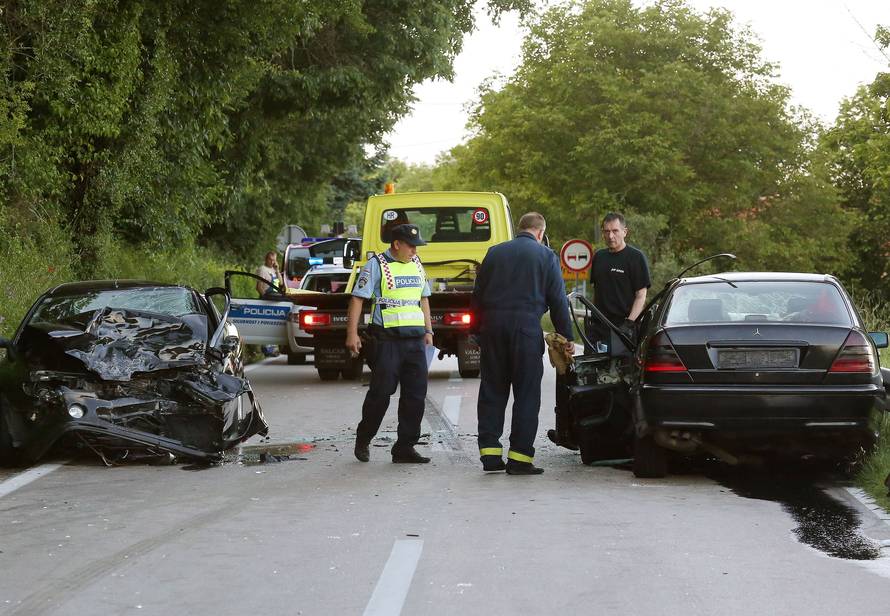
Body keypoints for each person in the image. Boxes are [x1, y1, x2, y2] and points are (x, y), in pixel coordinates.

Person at [472, 212, 574, 475]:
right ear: (540, 232)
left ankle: (490, 456)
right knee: (527, 395)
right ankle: (519, 459)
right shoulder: (545, 256)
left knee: (492, 390)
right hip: (526, 330)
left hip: (492, 330)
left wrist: (476, 332)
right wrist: (566, 337)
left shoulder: (494, 253)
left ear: (520, 229)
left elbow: (477, 296)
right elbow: (558, 302)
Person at [347, 224, 434, 464]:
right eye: (411, 246)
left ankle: (404, 447)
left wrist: (429, 330)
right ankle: (364, 438)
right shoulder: (376, 265)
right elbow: (357, 299)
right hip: (387, 340)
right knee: (380, 394)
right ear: (397, 244)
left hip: (415, 341)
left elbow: (423, 299)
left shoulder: (417, 264)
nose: (415, 251)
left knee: (415, 396)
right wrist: (352, 334)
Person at [590, 213, 651, 349]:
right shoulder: (599, 257)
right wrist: (592, 316)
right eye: (607, 231)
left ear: (625, 232)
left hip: (623, 329)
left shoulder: (636, 258)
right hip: (599, 328)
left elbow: (641, 295)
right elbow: (596, 291)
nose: (611, 236)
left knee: (620, 369)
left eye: (615, 231)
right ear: (603, 233)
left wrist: (629, 324)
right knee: (591, 369)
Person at [256, 251, 281, 357]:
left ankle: (273, 348)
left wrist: (278, 270)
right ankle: (266, 348)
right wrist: (264, 299)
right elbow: (259, 287)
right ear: (266, 259)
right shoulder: (262, 270)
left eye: (274, 260)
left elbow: (281, 284)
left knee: (274, 324)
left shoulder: (274, 270)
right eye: (270, 259)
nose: (272, 262)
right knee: (266, 324)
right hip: (267, 299)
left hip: (274, 299)